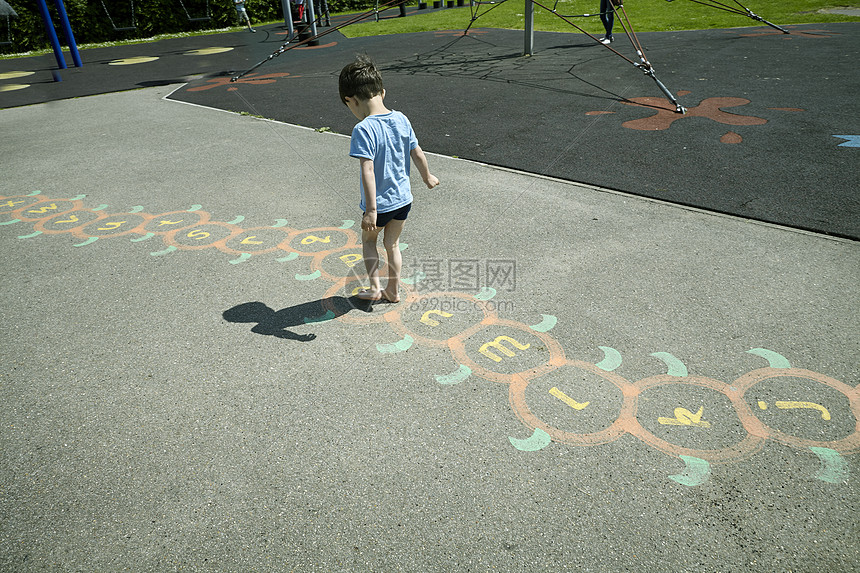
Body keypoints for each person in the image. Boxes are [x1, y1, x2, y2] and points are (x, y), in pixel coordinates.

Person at [339, 55, 440, 303]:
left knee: (369, 241)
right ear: (382, 93)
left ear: (350, 100)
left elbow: (368, 170)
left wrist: (371, 211)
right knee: (392, 245)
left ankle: (374, 288)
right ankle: (393, 291)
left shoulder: (363, 128)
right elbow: (416, 151)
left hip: (381, 205)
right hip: (404, 200)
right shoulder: (401, 118)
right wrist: (427, 176)